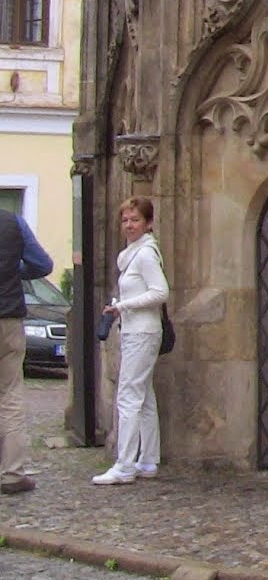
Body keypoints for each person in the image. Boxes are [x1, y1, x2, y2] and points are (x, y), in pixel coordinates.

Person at [93, 197, 168, 486]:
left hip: (142, 332)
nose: (129, 225)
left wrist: (124, 306)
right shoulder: (132, 254)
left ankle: (124, 464)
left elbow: (161, 292)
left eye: (135, 220)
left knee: (128, 396)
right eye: (125, 220)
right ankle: (148, 460)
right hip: (135, 329)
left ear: (147, 223)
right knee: (144, 396)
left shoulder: (146, 254)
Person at [1, 208, 54, 495]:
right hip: (8, 318)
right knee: (10, 395)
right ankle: (12, 474)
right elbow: (42, 265)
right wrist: (14, 271)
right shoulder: (13, 222)